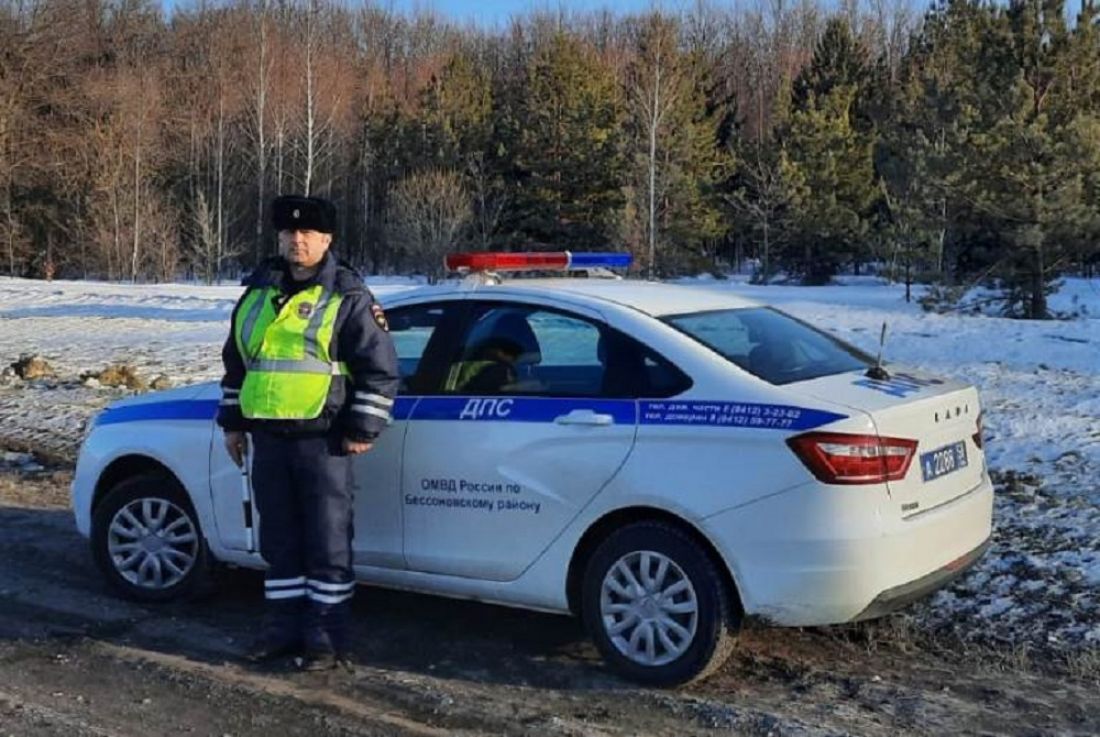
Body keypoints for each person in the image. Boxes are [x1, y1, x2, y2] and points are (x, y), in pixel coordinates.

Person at [216, 195, 399, 671]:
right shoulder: (258, 293)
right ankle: (281, 631)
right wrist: (234, 424)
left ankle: (325, 640)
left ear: (327, 240)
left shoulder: (347, 295)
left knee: (327, 542)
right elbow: (238, 363)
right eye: (288, 234)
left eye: (307, 234)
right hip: (269, 438)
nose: (297, 241)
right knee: (281, 541)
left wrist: (363, 426)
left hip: (325, 438)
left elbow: (378, 369)